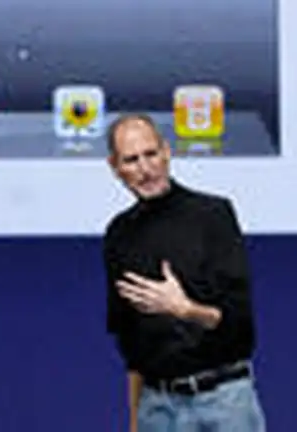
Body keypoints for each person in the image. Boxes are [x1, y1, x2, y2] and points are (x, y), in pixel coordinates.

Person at [103, 113, 266, 431]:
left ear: (166, 151)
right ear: (115, 167)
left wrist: (185, 309)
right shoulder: (119, 234)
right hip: (157, 409)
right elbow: (130, 343)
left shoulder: (212, 215)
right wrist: (135, 423)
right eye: (131, 160)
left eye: (151, 154)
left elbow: (240, 326)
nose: (145, 169)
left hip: (223, 403)